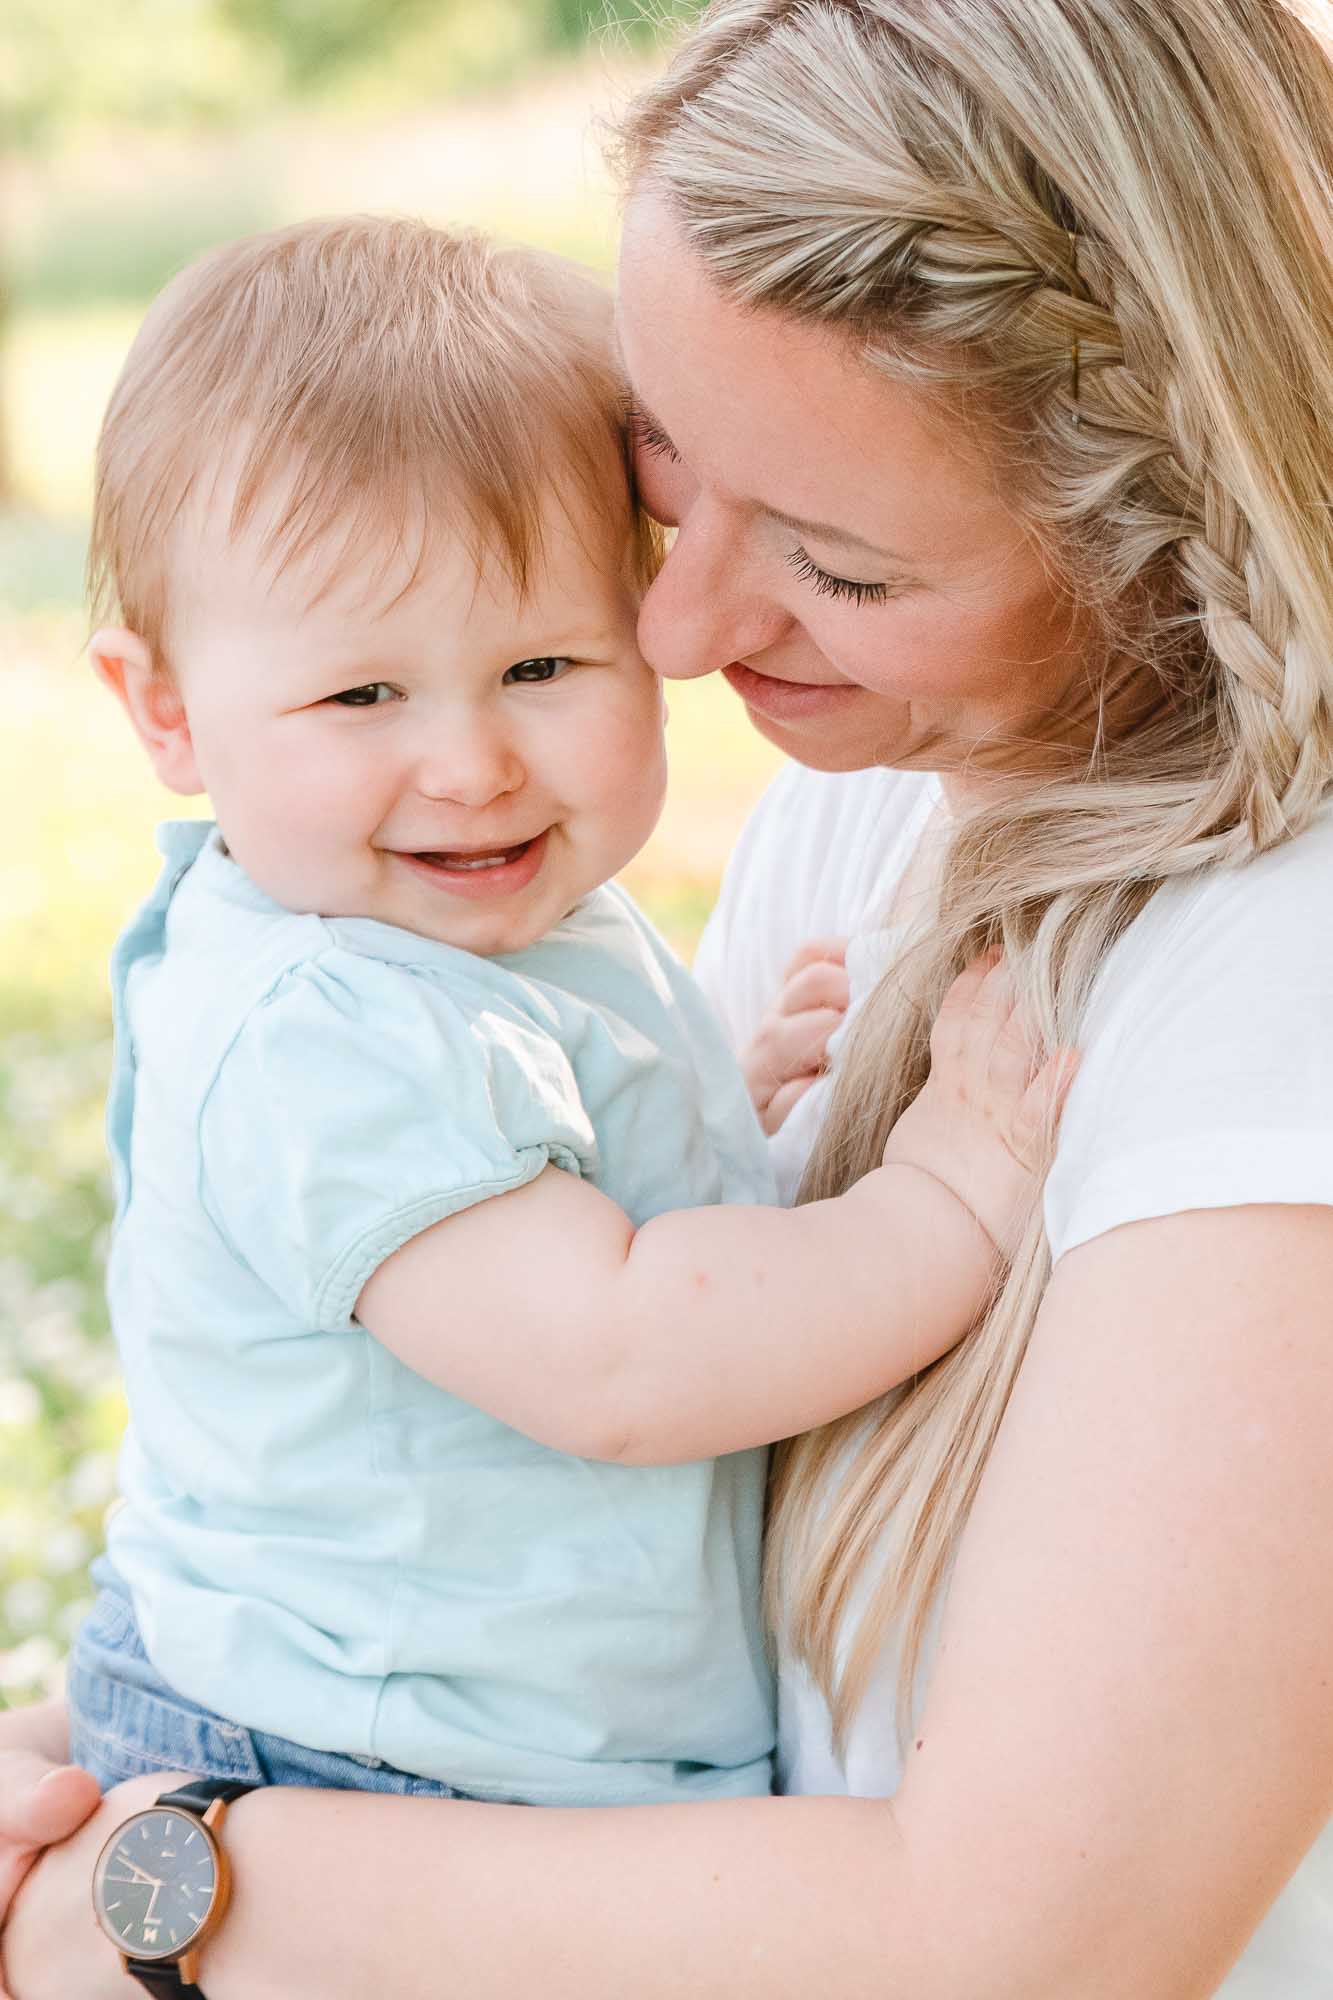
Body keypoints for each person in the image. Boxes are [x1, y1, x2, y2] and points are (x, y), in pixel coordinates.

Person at [3, 0, 1332, 1994]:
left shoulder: (1268, 991)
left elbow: (1030, 1940)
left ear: (1157, 522)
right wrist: (98, 1778)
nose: (677, 630)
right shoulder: (871, 808)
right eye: (663, 479)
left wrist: (134, 1903)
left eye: (834, 561)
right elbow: (611, 1344)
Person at [39, 211, 1065, 1843]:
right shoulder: (317, 1027)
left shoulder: (468, 932)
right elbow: (615, 1360)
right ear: (165, 711)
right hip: (354, 1763)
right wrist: (946, 1191)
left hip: (451, 1741)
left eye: (540, 663)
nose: (469, 764)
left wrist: (698, 1102)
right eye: (360, 697)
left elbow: (509, 1201)